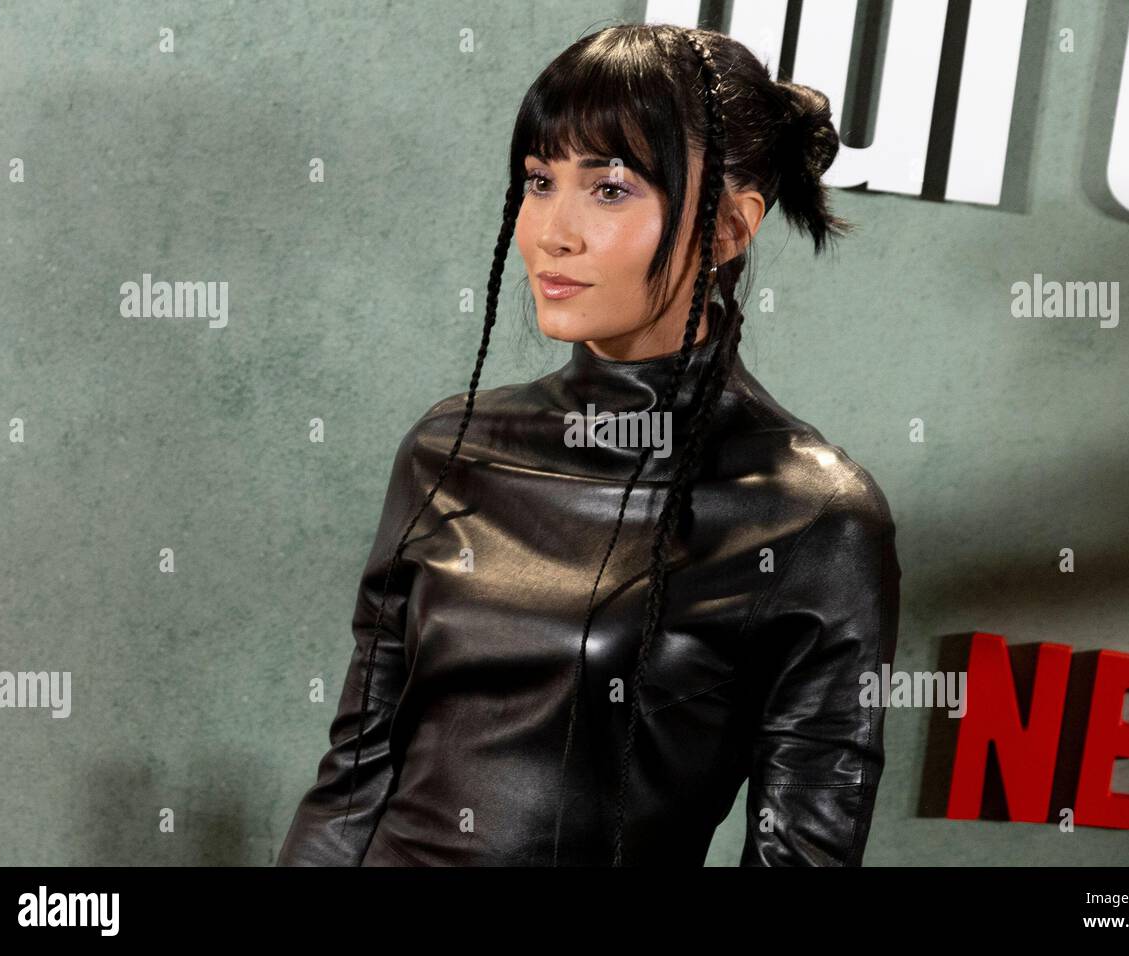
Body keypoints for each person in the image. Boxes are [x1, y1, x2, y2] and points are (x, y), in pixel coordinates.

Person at [276, 22, 901, 867]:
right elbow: (354, 778)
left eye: (609, 189)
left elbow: (802, 856)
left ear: (726, 229)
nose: (550, 233)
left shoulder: (810, 514)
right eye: (539, 181)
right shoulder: (450, 447)